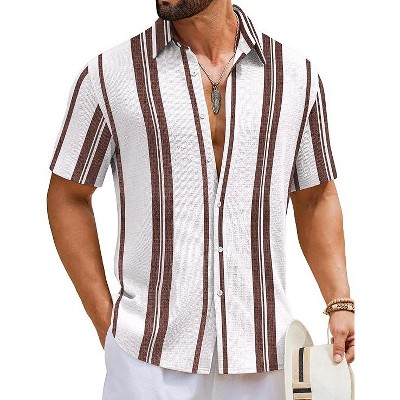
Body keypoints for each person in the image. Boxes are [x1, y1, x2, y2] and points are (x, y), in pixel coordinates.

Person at [46, 1, 355, 399]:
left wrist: (339, 301)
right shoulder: (110, 75)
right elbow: (68, 195)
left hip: (263, 354)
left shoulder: (295, 76)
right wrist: (107, 325)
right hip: (147, 357)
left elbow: (315, 196)